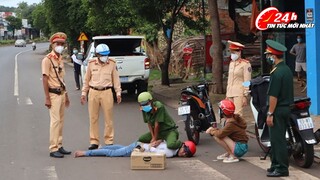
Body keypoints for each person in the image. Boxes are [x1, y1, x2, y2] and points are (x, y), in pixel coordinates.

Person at [81, 43, 122, 150]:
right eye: (103, 55)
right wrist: (84, 93)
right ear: (97, 55)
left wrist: (118, 93)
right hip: (93, 92)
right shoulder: (91, 64)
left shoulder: (112, 64)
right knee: (93, 118)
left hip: (107, 92)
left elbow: (116, 79)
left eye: (106, 55)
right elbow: (86, 80)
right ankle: (94, 141)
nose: (105, 57)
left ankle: (109, 141)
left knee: (109, 118)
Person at [264, 40, 294, 177]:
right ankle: (275, 164)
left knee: (278, 140)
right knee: (276, 138)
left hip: (278, 110)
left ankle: (282, 168)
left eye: (268, 55)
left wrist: (270, 113)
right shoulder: (286, 69)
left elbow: (273, 96)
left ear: (273, 56)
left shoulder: (276, 73)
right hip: (286, 108)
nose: (267, 57)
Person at [41, 32, 71, 158]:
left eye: (62, 44)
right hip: (53, 94)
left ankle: (59, 145)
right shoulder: (47, 60)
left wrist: (67, 95)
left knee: (61, 121)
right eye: (57, 43)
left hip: (61, 93)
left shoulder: (60, 59)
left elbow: (61, 78)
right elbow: (45, 79)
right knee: (55, 121)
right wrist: (47, 97)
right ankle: (53, 148)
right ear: (52, 44)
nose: (60, 46)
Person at [205, 99, 248, 163]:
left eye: (220, 109)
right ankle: (229, 153)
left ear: (223, 112)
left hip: (240, 148)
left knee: (217, 136)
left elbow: (220, 134)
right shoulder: (232, 119)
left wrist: (211, 131)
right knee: (222, 134)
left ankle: (232, 155)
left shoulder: (231, 123)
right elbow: (224, 132)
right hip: (241, 146)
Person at [74, 140, 196, 158]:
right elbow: (155, 153)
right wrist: (147, 147)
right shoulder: (170, 152)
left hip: (140, 144)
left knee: (122, 148)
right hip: (141, 148)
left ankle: (102, 147)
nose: (184, 154)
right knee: (113, 153)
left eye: (186, 154)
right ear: (183, 146)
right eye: (185, 151)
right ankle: (85, 153)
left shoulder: (171, 143)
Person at [226, 40, 252, 117]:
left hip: (239, 93)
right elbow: (229, 80)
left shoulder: (245, 64)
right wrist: (227, 94)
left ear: (239, 52)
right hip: (230, 93)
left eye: (234, 52)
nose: (232, 54)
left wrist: (245, 95)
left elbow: (247, 81)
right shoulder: (231, 63)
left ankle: (239, 129)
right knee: (229, 115)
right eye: (231, 52)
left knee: (237, 115)